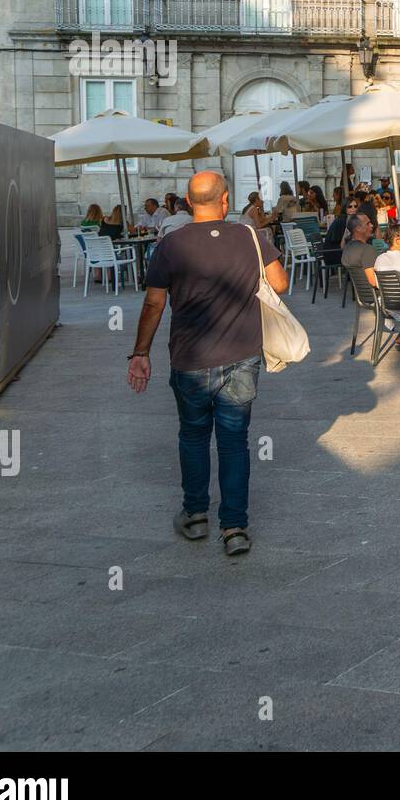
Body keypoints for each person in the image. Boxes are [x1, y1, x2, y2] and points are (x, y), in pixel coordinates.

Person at [128, 170, 289, 557]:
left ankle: (196, 514)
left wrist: (140, 353)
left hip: (190, 358)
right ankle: (234, 528)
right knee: (234, 442)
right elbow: (280, 284)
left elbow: (154, 302)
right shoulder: (250, 236)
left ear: (186, 200)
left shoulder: (171, 244)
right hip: (241, 356)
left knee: (193, 436)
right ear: (225, 199)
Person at [340, 212, 379, 277]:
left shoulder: (347, 248)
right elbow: (372, 281)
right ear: (358, 228)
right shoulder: (367, 250)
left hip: (357, 286)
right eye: (368, 224)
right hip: (370, 286)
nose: (372, 225)